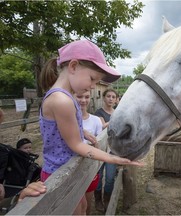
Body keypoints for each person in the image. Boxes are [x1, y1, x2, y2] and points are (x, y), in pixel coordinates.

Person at [38, 39, 143, 215]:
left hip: (66, 171)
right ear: (73, 66)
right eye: (92, 78)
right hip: (59, 175)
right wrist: (112, 158)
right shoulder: (62, 100)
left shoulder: (63, 96)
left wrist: (81, 131)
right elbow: (77, 145)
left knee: (84, 208)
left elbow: (58, 130)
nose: (93, 86)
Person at [75, 90, 102, 215]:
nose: (83, 100)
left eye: (86, 97)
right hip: (72, 169)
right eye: (79, 96)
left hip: (89, 167)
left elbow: (99, 143)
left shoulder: (96, 120)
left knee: (87, 205)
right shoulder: (65, 121)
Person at [94, 89, 118, 212]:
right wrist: (116, 118)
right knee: (98, 176)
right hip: (100, 150)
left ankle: (107, 199)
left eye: (113, 97)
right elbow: (103, 126)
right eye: (108, 96)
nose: (110, 98)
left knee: (110, 177)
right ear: (104, 98)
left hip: (112, 150)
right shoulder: (99, 113)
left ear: (116, 99)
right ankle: (97, 200)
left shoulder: (118, 112)